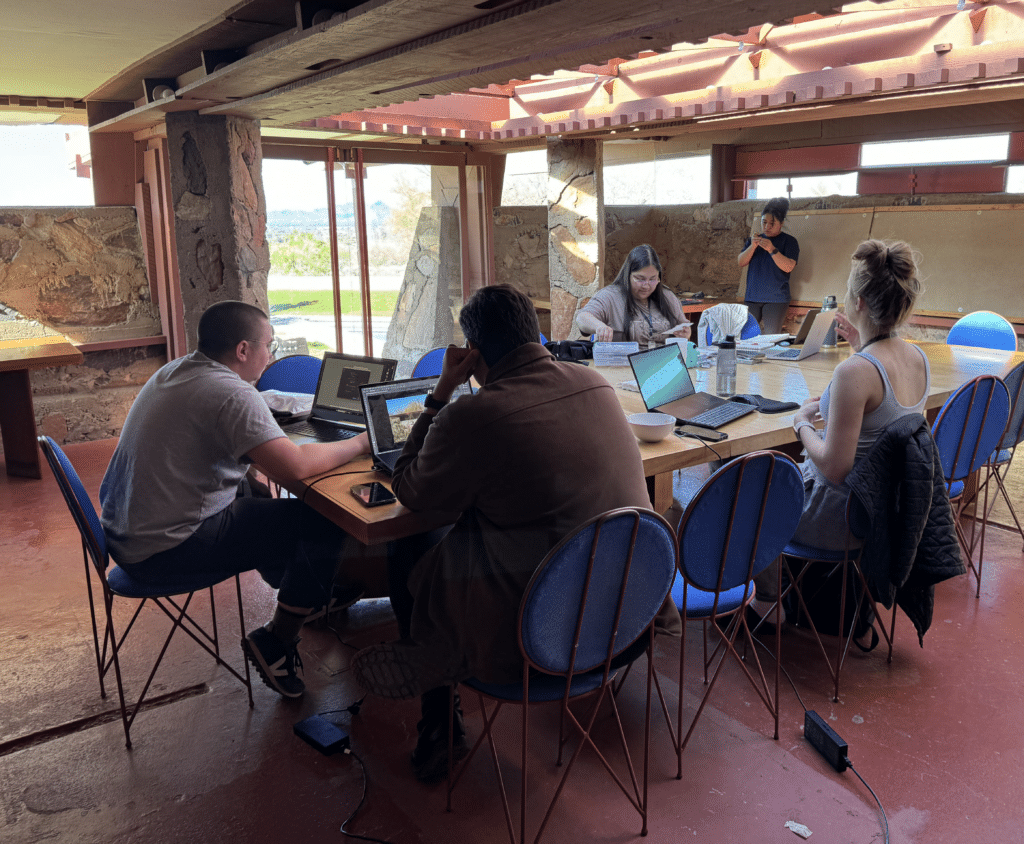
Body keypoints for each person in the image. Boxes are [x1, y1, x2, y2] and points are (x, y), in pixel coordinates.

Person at [352, 284, 681, 781]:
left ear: (475, 354)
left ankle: (439, 706)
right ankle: (440, 661)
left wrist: (439, 394)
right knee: (508, 521)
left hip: (535, 636)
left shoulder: (475, 414)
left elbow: (409, 489)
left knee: (415, 545)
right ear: (535, 332)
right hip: (628, 617)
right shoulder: (596, 386)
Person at [99, 300, 369, 699]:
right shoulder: (229, 392)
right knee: (320, 520)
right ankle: (278, 637)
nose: (271, 355)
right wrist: (363, 441)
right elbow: (293, 467)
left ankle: (306, 592)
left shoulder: (176, 370)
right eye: (268, 345)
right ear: (243, 350)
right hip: (169, 548)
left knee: (257, 492)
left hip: (128, 532)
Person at [749, 240, 928, 628]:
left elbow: (833, 467)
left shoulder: (855, 373)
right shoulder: (917, 358)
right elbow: (881, 414)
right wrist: (860, 347)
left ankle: (767, 604)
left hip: (841, 517)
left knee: (746, 498)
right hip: (884, 512)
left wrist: (800, 424)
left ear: (859, 301)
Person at [575, 244, 691, 349]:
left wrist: (685, 332)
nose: (646, 286)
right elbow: (582, 318)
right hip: (622, 366)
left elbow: (683, 324)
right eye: (640, 279)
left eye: (652, 279)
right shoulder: (610, 296)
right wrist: (599, 326)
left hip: (663, 365)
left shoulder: (667, 296)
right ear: (628, 275)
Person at [737, 197, 799, 335]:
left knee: (771, 337)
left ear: (781, 223)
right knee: (746, 336)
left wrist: (772, 250)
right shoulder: (754, 240)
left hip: (776, 299)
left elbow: (788, 267)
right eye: (764, 222)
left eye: (772, 223)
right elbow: (741, 262)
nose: (767, 227)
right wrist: (752, 246)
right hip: (752, 297)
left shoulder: (789, 241)